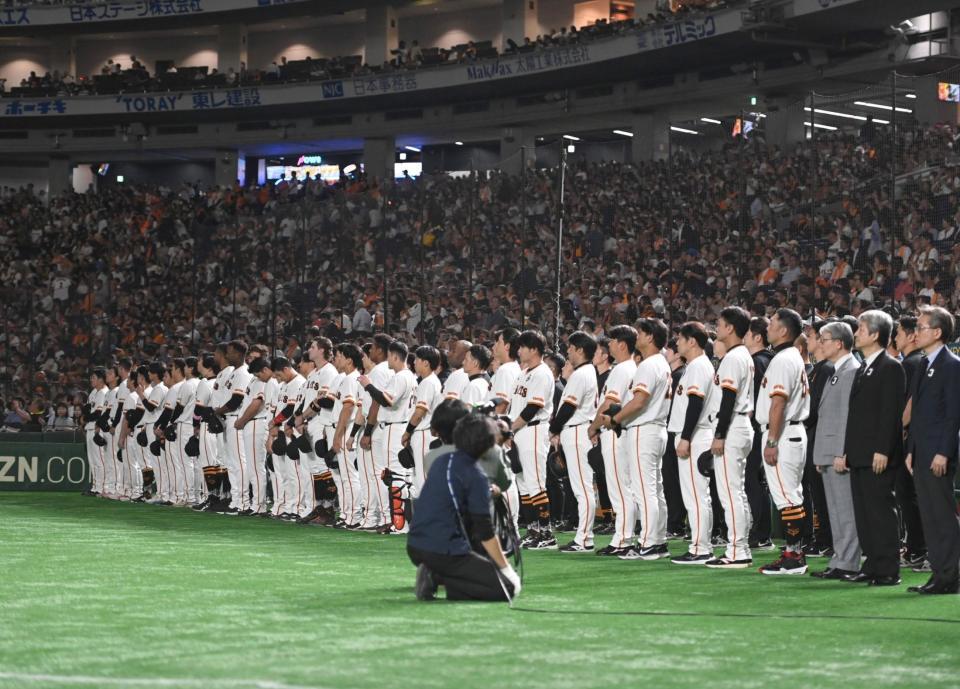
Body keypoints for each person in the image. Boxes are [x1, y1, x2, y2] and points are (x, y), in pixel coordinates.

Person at [407, 413, 521, 602]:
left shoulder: (441, 460)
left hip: (415, 544)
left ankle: (437, 573)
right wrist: (506, 569)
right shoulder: (475, 473)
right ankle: (437, 575)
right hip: (444, 549)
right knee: (507, 588)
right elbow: (484, 530)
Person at [843, 309, 905, 586]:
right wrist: (847, 451)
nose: (856, 333)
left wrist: (883, 449)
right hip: (859, 453)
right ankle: (872, 564)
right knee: (864, 512)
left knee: (880, 512)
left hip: (877, 454)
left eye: (860, 328)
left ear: (875, 334)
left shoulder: (891, 367)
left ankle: (888, 568)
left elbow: (890, 413)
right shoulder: (865, 367)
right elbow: (856, 415)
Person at [602, 318, 672, 561]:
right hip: (655, 428)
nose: (637, 337)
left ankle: (648, 543)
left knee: (645, 490)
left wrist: (616, 418)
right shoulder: (660, 363)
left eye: (641, 333)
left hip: (645, 428)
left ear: (650, 337)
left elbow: (640, 401)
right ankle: (658, 541)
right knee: (655, 489)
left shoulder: (649, 364)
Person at [905, 306, 960, 594]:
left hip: (938, 453)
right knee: (929, 514)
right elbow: (918, 413)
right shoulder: (924, 364)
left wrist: (944, 452)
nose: (916, 332)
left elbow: (953, 414)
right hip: (922, 451)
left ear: (937, 332)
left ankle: (950, 577)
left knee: (942, 514)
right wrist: (911, 449)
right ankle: (939, 573)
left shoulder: (952, 365)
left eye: (921, 327)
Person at [756, 308, 811, 576]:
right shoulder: (792, 357)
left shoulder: (782, 360)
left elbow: (777, 404)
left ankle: (793, 556)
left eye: (773, 322)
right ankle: (794, 552)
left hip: (784, 433)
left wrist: (772, 440)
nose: (768, 325)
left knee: (787, 498)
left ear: (784, 331)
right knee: (793, 496)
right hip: (793, 432)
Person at [809, 321, 862, 580]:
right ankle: (840, 559)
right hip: (828, 450)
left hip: (839, 452)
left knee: (845, 509)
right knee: (834, 509)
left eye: (824, 338)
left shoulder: (851, 370)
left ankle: (849, 562)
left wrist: (842, 452)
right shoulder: (837, 370)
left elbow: (848, 417)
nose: (820, 342)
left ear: (839, 343)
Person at [706, 306, 755, 568]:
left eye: (720, 323)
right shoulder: (741, 355)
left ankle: (737, 550)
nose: (718, 327)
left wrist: (719, 434)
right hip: (740, 425)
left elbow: (728, 399)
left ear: (731, 328)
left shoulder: (734, 358)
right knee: (736, 491)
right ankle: (740, 546)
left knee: (730, 492)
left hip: (732, 426)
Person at [667, 321, 717, 564]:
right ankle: (700, 545)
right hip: (695, 435)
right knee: (696, 495)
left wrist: (686, 438)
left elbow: (695, 404)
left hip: (695, 436)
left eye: (680, 338)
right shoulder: (696, 365)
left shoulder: (698, 366)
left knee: (696, 495)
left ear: (692, 341)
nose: (677, 342)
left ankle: (701, 547)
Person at [588, 325, 637, 556]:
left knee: (619, 487)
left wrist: (593, 426)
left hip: (616, 431)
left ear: (623, 345)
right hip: (624, 431)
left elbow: (609, 404)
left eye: (613, 340)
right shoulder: (631, 367)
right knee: (623, 487)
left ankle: (623, 540)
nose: (609, 344)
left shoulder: (621, 369)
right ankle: (624, 537)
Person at [548, 330, 598, 553]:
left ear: (580, 349)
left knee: (582, 488)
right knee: (581, 487)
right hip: (577, 431)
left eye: (570, 347)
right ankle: (584, 536)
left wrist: (554, 428)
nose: (567, 351)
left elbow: (568, 407)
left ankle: (584, 538)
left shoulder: (581, 374)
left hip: (578, 431)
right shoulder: (585, 372)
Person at [508, 330, 556, 549]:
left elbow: (533, 407)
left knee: (536, 482)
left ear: (534, 349)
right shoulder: (524, 372)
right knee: (524, 484)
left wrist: (510, 428)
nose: (518, 351)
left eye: (522, 347)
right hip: (520, 432)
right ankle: (534, 530)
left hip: (534, 430)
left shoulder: (542, 373)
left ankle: (547, 534)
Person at [893, 316, 927, 566]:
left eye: (899, 333)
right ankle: (917, 547)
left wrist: (899, 428)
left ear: (911, 335)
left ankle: (918, 548)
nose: (895, 338)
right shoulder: (915, 362)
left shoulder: (913, 363)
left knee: (909, 494)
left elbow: (910, 404)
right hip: (916, 437)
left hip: (913, 439)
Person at [745, 318, 774, 550]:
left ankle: (760, 532)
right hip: (762, 427)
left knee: (753, 481)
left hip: (756, 427)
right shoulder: (769, 360)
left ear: (757, 337)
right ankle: (761, 531)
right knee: (758, 481)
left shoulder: (757, 362)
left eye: (747, 334)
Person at [403, 345, 443, 496]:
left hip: (424, 433)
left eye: (417, 360)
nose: (414, 363)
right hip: (427, 433)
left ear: (426, 363)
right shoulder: (430, 381)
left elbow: (419, 412)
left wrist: (407, 432)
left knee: (423, 479)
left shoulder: (428, 382)